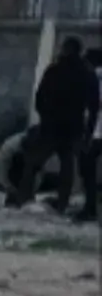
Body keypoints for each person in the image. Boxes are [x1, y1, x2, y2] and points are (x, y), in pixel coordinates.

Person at [8, 34, 95, 213]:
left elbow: (39, 98)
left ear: (65, 50)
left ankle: (23, 198)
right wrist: (88, 133)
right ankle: (62, 203)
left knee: (33, 164)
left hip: (51, 126)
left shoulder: (55, 70)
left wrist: (45, 117)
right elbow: (93, 106)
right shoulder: (86, 72)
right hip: (72, 128)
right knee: (66, 168)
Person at [71, 45, 101, 223]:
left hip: (96, 132)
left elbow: (93, 109)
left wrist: (86, 136)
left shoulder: (93, 77)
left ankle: (90, 209)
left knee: (87, 169)